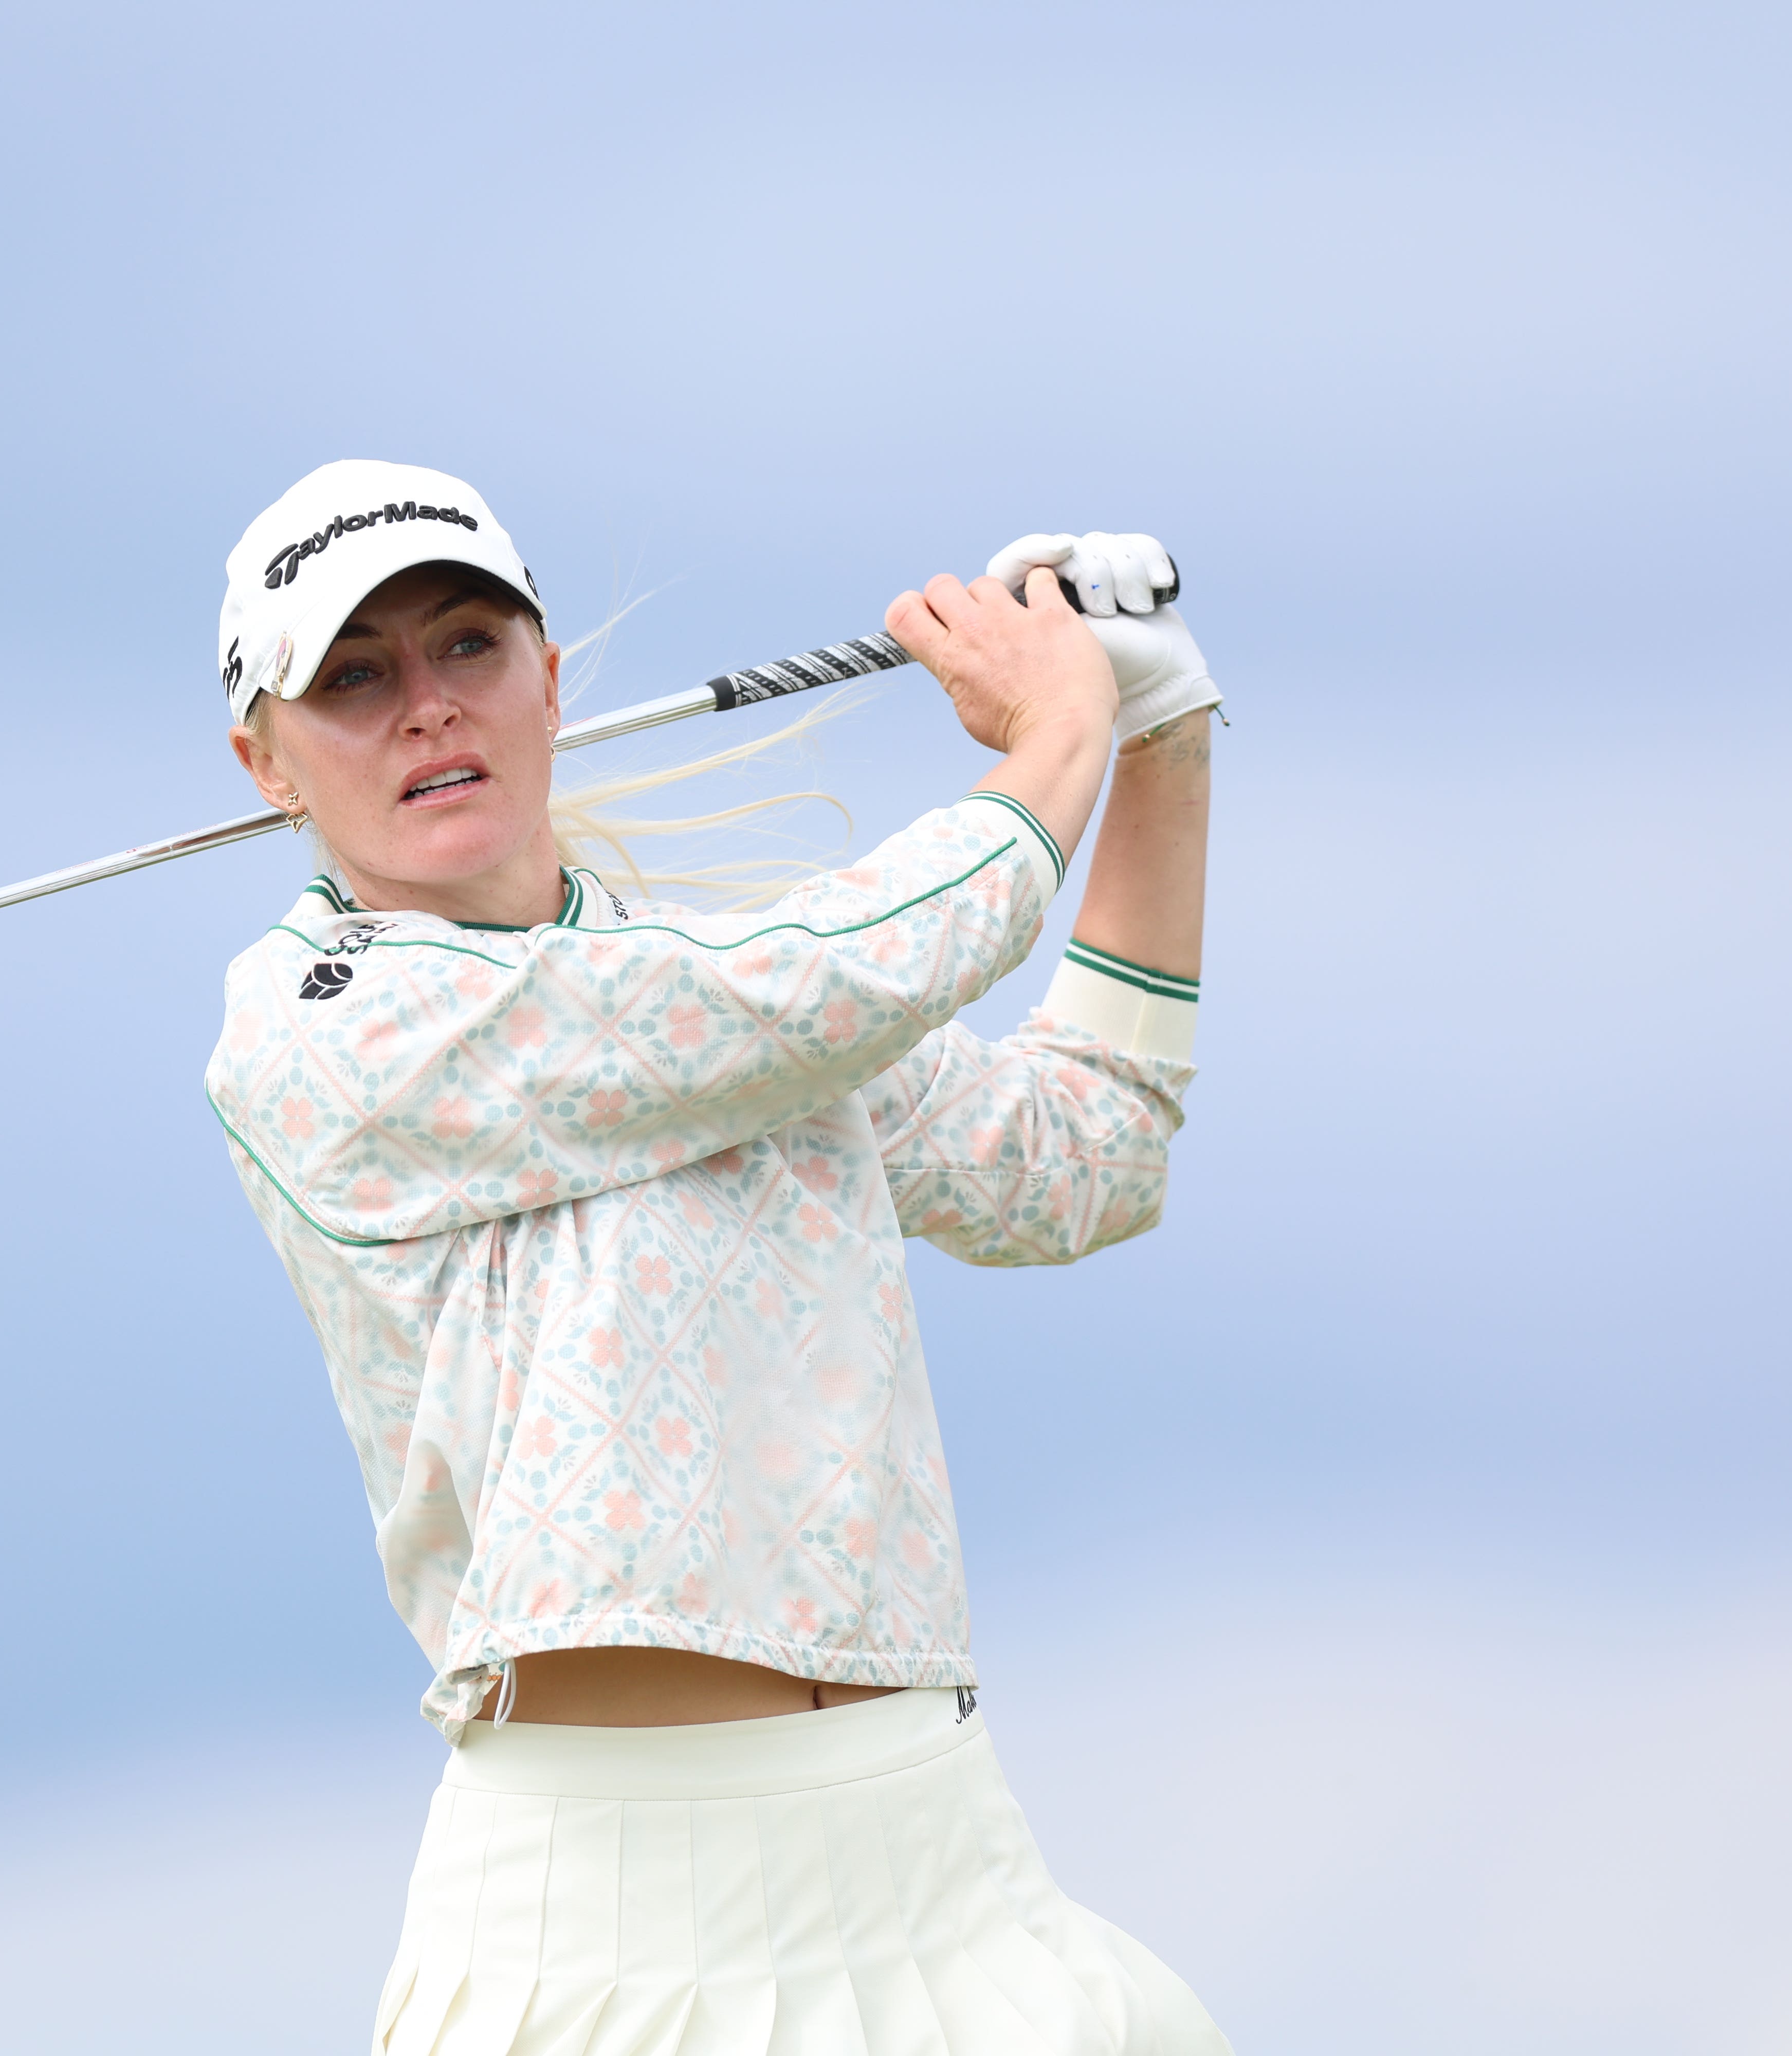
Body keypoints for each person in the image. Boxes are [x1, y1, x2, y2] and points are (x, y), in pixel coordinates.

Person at [208, 459, 1229, 2055]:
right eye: (351, 679)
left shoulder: (725, 987)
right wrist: (1058, 738)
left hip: (941, 1863)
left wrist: (1160, 732)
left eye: (467, 646)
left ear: (549, 685)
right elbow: (823, 986)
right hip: (606, 1926)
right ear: (265, 763)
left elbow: (1081, 1160)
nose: (427, 706)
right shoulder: (320, 1026)